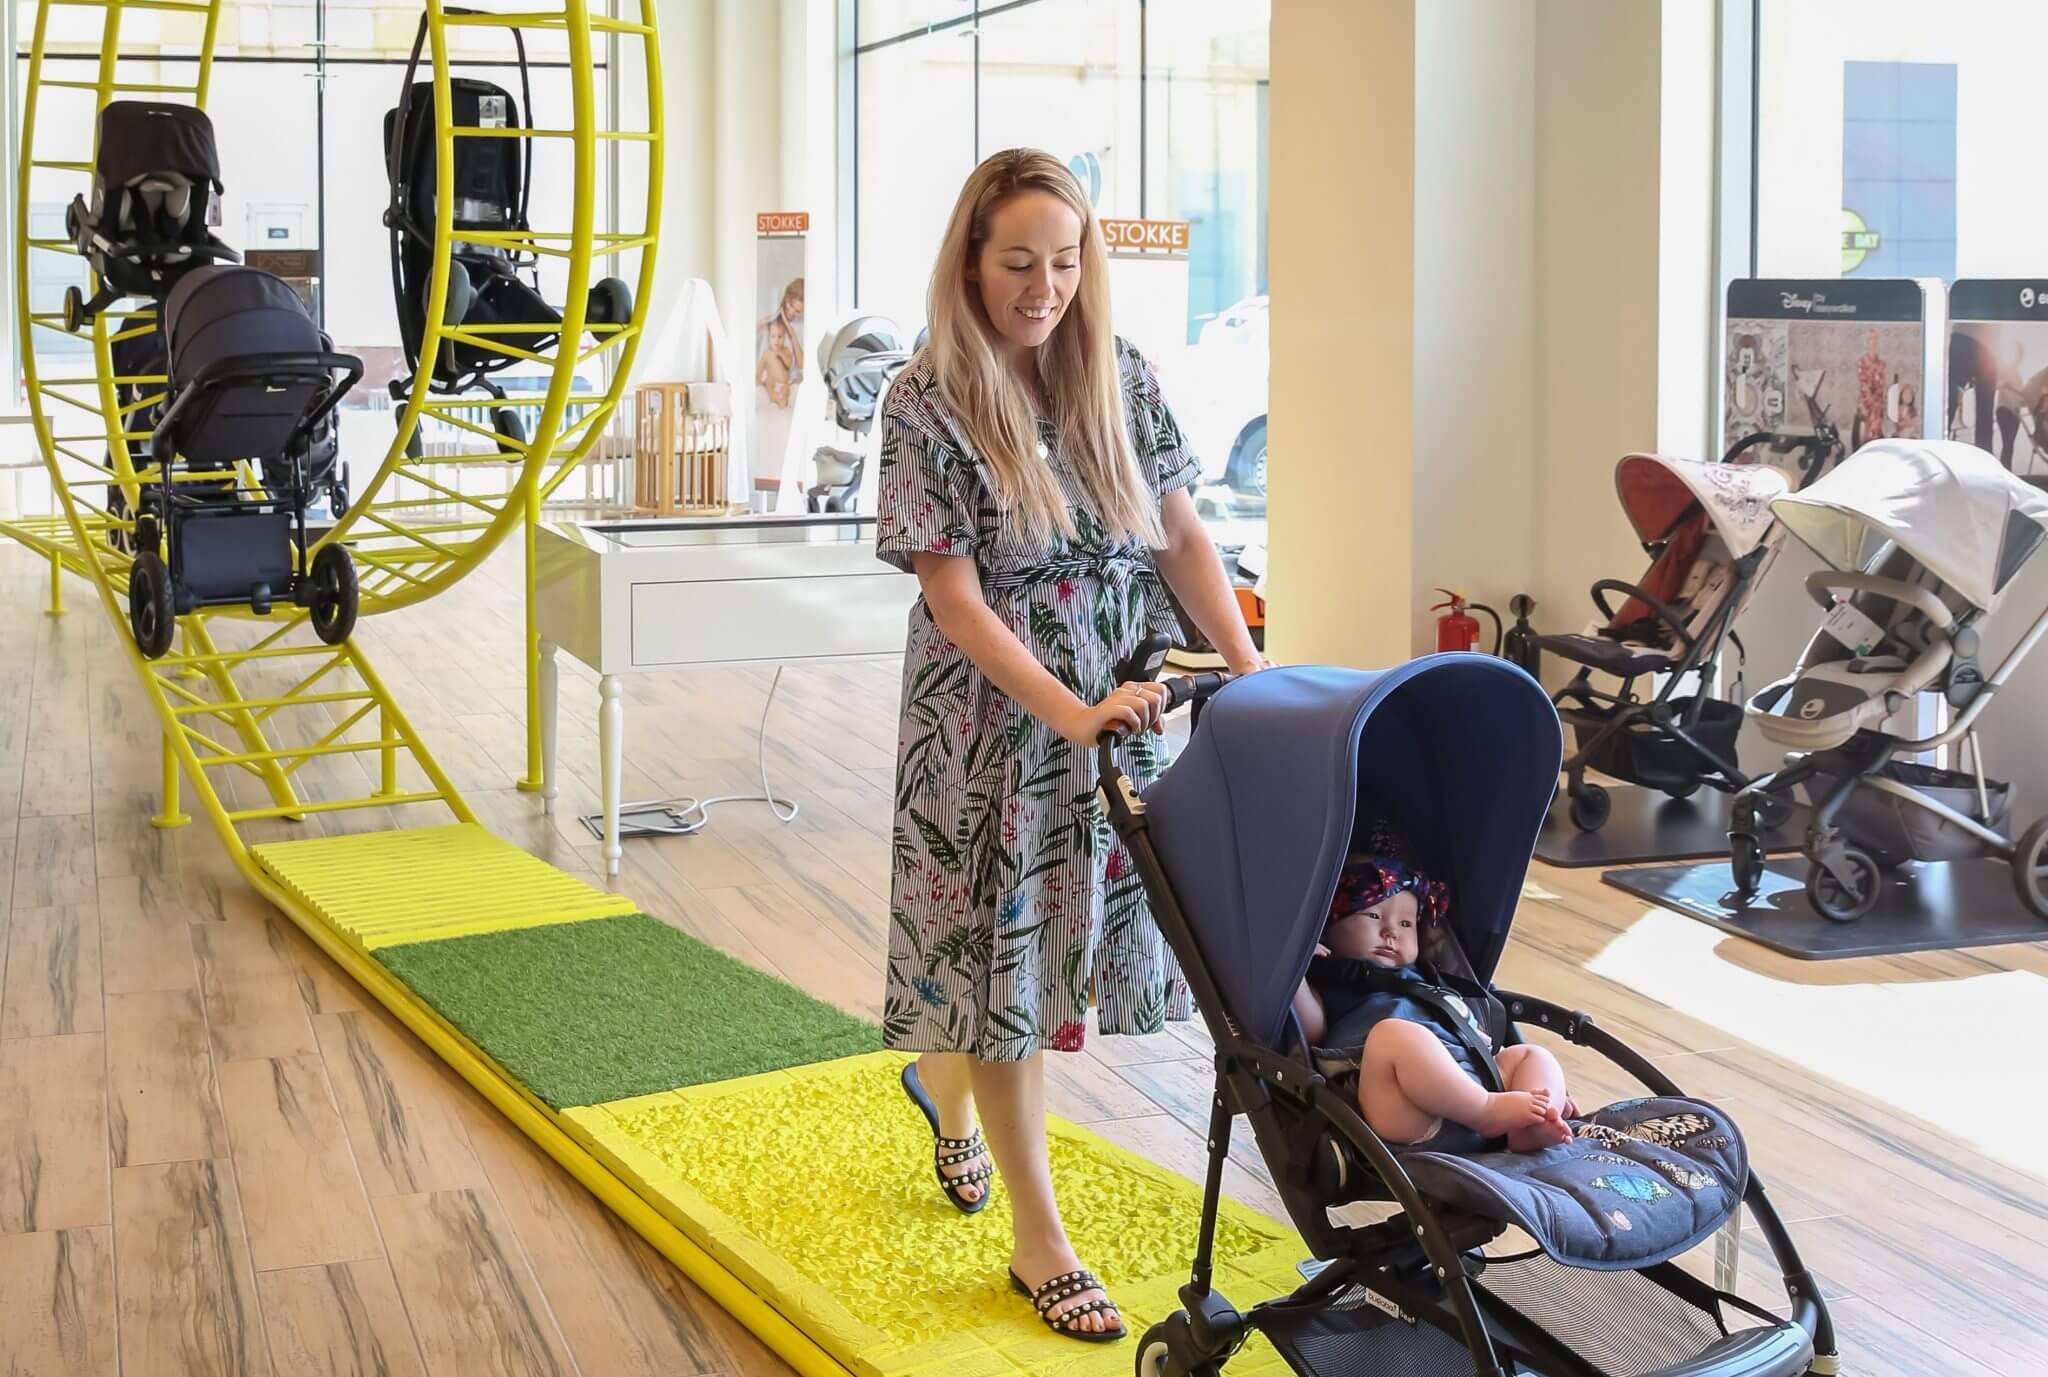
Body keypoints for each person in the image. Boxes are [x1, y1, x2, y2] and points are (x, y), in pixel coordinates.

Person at [875, 148, 1265, 1344]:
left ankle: (941, 1097)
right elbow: (955, 601)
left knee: (1038, 979)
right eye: (1016, 264)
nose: (1043, 287)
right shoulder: (924, 398)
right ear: (970, 263)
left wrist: (1253, 678)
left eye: (1063, 261)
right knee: (1004, 973)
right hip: (992, 724)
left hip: (1112, 714)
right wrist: (1066, 710)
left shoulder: (1119, 377)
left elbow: (1181, 539)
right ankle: (1038, 1244)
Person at [1292, 840, 1576, 1156]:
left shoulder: (1427, 977)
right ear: (1327, 928)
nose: (1391, 932)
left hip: (1468, 1075)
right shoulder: (1330, 978)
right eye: (1373, 916)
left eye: (1405, 923)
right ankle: (1486, 1111)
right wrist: (1297, 968)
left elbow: (1468, 1025)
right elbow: (1311, 1028)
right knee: (1392, 1034)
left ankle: (1535, 1121)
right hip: (1401, 1104)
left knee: (1530, 1056)